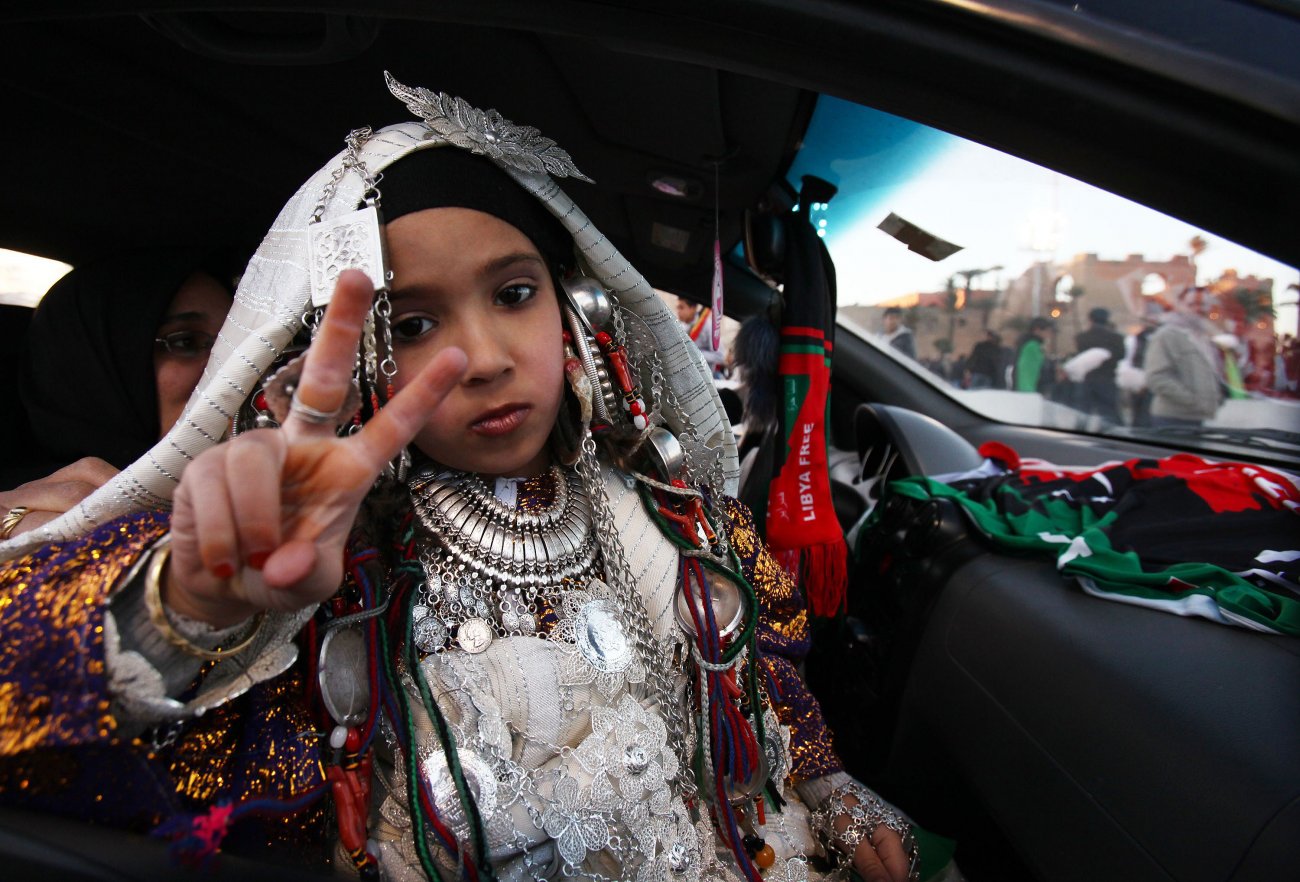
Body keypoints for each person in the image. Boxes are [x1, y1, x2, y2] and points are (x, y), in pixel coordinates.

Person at [0, 78, 925, 882]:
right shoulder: (330, 584)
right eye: (412, 325)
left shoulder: (683, 523)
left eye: (514, 294)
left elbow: (762, 680)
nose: (483, 357)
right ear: (361, 357)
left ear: (575, 311)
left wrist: (828, 785)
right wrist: (192, 606)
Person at [0, 249, 233, 540]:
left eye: (239, 342)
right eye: (186, 341)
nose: (230, 365)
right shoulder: (17, 511)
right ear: (87, 367)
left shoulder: (265, 483)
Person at [1145, 285, 1223, 428]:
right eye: (1192, 304)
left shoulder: (1204, 336)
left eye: (1203, 304)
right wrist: (1194, 401)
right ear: (1180, 305)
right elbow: (1157, 377)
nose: (1199, 309)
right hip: (1172, 417)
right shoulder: (1166, 335)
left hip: (1200, 417)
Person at [1070, 307, 1124, 424]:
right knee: (1109, 414)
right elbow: (1121, 356)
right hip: (1107, 378)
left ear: (1090, 319)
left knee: (1083, 414)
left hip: (1087, 378)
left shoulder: (1082, 337)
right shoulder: (1116, 338)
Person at [676, 295, 726, 376]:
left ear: (693, 308)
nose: (678, 311)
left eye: (681, 307)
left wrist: (695, 353)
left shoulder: (708, 326)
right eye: (677, 308)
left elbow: (720, 356)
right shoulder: (680, 326)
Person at [1013, 317, 1054, 393]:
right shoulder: (1032, 346)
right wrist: (1029, 392)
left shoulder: (1029, 344)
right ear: (1037, 330)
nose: (1049, 334)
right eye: (1047, 331)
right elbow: (1028, 370)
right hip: (1029, 391)